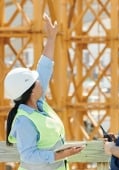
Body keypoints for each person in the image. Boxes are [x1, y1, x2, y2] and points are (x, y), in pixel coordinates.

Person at [4, 13, 84, 170]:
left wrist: (51, 38)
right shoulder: (24, 121)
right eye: (36, 81)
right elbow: (28, 156)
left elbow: (45, 67)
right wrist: (61, 155)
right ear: (31, 91)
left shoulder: (39, 105)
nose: (40, 80)